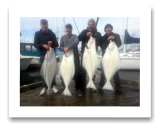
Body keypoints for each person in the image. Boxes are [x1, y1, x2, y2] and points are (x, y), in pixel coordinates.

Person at [34, 19, 59, 96]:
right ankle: (44, 87)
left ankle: (53, 85)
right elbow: (35, 44)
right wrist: (43, 45)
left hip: (52, 55)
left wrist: (52, 43)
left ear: (47, 25)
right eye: (42, 24)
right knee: (44, 71)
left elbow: (57, 44)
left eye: (45, 24)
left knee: (53, 70)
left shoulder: (52, 34)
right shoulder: (37, 34)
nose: (44, 25)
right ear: (40, 25)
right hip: (43, 55)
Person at [60, 24, 84, 96]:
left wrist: (68, 47)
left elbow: (76, 42)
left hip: (75, 57)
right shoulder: (62, 37)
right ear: (65, 29)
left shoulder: (74, 36)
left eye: (69, 28)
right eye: (67, 28)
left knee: (77, 73)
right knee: (63, 72)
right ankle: (65, 87)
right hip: (66, 57)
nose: (68, 30)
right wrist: (63, 49)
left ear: (71, 29)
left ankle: (78, 88)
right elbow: (60, 46)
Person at [78, 19, 102, 91]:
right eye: (90, 25)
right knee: (83, 70)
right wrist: (86, 35)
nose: (91, 26)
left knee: (93, 68)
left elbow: (99, 42)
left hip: (93, 54)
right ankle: (83, 85)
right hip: (85, 54)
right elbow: (78, 38)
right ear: (88, 25)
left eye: (92, 25)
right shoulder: (83, 32)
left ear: (94, 25)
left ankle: (92, 85)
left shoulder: (98, 33)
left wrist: (93, 35)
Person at [99, 23, 122, 93]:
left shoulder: (116, 35)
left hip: (113, 57)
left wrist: (114, 39)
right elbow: (102, 48)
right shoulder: (102, 38)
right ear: (105, 30)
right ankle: (101, 85)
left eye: (109, 28)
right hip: (106, 58)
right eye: (107, 28)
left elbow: (119, 44)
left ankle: (118, 87)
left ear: (111, 29)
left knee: (115, 71)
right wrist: (108, 40)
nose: (108, 29)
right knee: (103, 71)